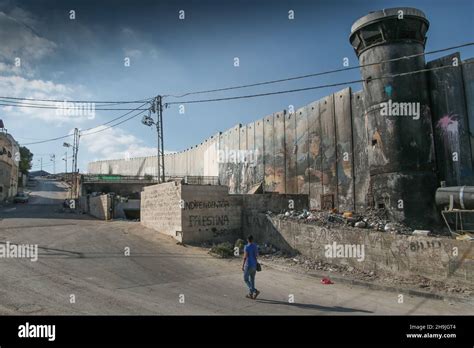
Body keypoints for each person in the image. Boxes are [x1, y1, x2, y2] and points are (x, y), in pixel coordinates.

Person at [242, 235, 260, 299]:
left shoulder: (246, 247)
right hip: (254, 265)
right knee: (252, 280)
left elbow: (245, 257)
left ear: (247, 239)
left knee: (245, 279)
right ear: (252, 239)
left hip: (248, 265)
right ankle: (250, 294)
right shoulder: (255, 246)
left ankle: (255, 291)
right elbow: (257, 255)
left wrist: (243, 265)